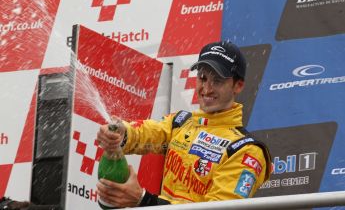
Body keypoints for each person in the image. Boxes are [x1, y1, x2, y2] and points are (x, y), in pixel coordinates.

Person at [96, 41, 272, 208]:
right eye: (203, 78)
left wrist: (144, 200)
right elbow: (147, 133)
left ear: (238, 86)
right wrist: (120, 133)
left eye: (217, 81)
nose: (207, 88)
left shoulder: (246, 150)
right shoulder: (181, 123)